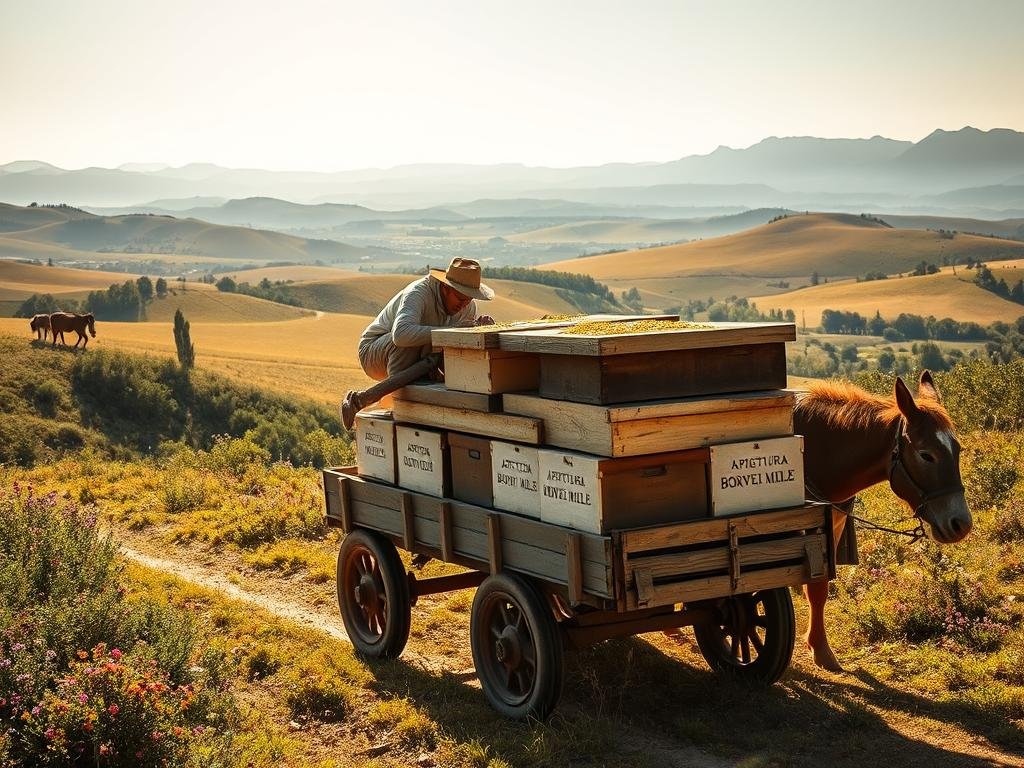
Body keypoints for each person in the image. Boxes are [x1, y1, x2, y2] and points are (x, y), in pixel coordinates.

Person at [357, 257, 495, 381]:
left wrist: (480, 330)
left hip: (419, 355)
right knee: (409, 338)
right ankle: (399, 394)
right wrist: (452, 331)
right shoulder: (418, 293)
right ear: (445, 287)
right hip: (373, 353)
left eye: (468, 299)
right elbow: (400, 335)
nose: (463, 305)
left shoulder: (468, 307)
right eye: (460, 298)